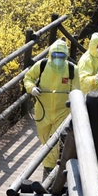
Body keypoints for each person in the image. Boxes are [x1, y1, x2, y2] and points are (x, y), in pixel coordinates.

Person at [23, 39, 80, 177]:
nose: (58, 59)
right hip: (43, 110)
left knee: (53, 141)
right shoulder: (42, 65)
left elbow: (78, 90)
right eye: (55, 56)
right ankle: (51, 166)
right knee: (44, 138)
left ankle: (49, 170)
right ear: (50, 55)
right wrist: (32, 88)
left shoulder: (72, 70)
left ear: (65, 56)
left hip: (62, 111)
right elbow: (28, 78)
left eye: (61, 56)